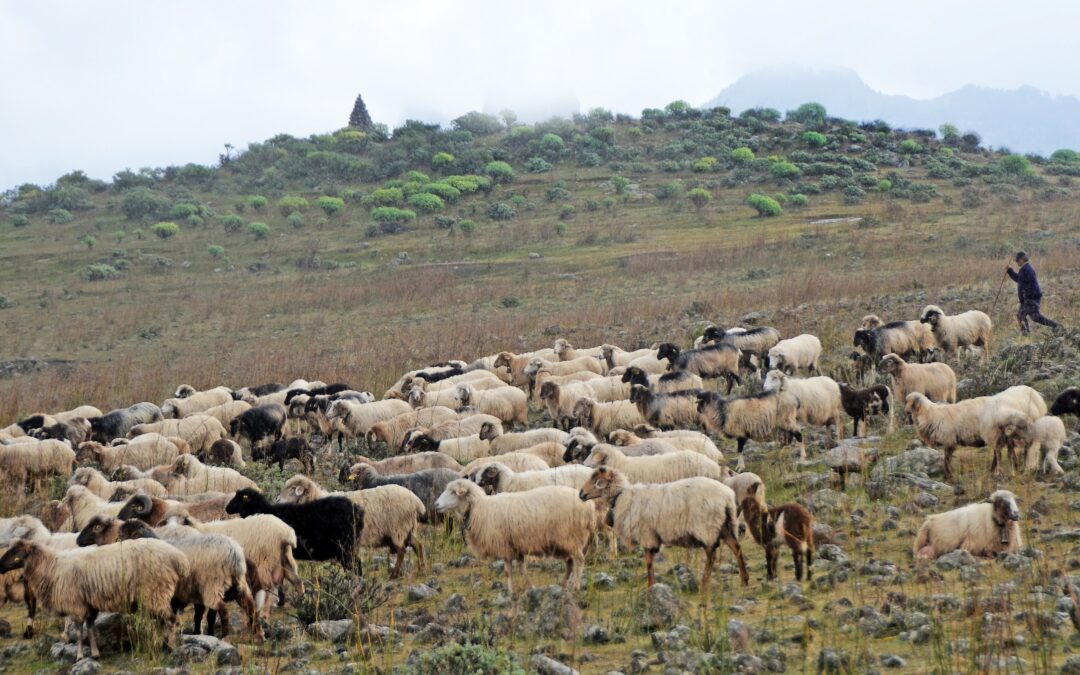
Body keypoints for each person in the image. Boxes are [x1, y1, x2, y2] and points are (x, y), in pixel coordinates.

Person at [1007, 251, 1060, 335]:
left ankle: (1026, 335)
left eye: (1017, 260)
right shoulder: (1024, 269)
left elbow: (1032, 284)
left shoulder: (1028, 269)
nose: (1016, 262)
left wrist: (1027, 297)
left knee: (1021, 315)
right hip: (1028, 298)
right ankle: (1055, 326)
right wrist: (1010, 271)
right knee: (1035, 317)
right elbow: (1019, 279)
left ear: (1021, 260)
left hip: (1031, 298)